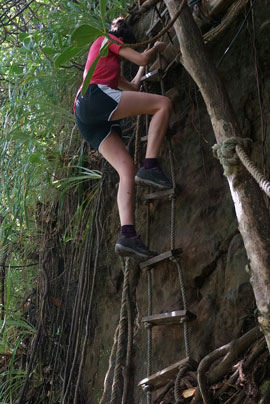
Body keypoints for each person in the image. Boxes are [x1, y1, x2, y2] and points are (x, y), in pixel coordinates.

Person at [74, 16, 173, 258]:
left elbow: (133, 87)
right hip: (95, 96)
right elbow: (142, 58)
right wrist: (157, 47)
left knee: (127, 169)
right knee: (163, 104)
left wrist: (142, 66)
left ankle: (127, 234)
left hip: (83, 112)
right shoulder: (106, 39)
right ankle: (150, 165)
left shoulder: (105, 62)